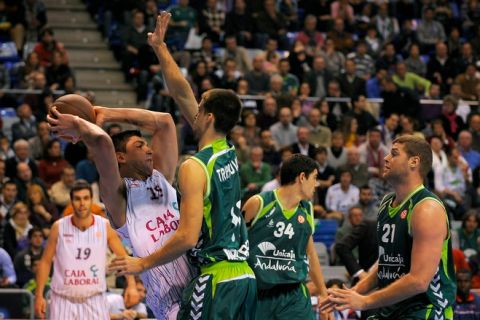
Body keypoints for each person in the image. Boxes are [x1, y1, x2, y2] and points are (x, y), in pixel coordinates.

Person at [108, 13, 256, 320]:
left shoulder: (195, 167)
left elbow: (188, 238)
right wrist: (160, 48)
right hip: (244, 274)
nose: (195, 106)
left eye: (201, 105)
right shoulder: (226, 151)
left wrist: (142, 264)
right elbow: (181, 92)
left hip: (217, 277)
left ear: (209, 116)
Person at [48, 107, 194, 317]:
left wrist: (107, 113)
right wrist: (81, 124)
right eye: (140, 145)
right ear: (121, 157)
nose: (149, 150)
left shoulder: (161, 177)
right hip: (170, 299)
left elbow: (165, 121)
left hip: (200, 282)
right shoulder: (119, 198)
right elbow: (102, 143)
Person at [321, 135, 457, 319]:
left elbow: (419, 281)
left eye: (394, 154)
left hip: (425, 309)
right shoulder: (386, 203)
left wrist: (365, 301)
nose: (386, 158)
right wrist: (352, 293)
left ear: (413, 162)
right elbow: (386, 263)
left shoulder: (426, 208)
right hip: (393, 308)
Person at [33, 180, 139, 319]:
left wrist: (131, 285)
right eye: (77, 199)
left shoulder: (105, 226)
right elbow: (45, 262)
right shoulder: (58, 227)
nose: (82, 203)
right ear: (71, 201)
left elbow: (123, 257)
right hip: (63, 299)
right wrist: (39, 295)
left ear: (91, 200)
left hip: (94, 299)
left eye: (86, 198)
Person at [242, 154, 330, 319]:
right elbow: (236, 245)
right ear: (302, 177)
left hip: (294, 296)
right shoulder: (259, 203)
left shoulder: (307, 210)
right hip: (258, 294)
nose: (316, 184)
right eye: (315, 178)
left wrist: (323, 294)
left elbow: (310, 254)